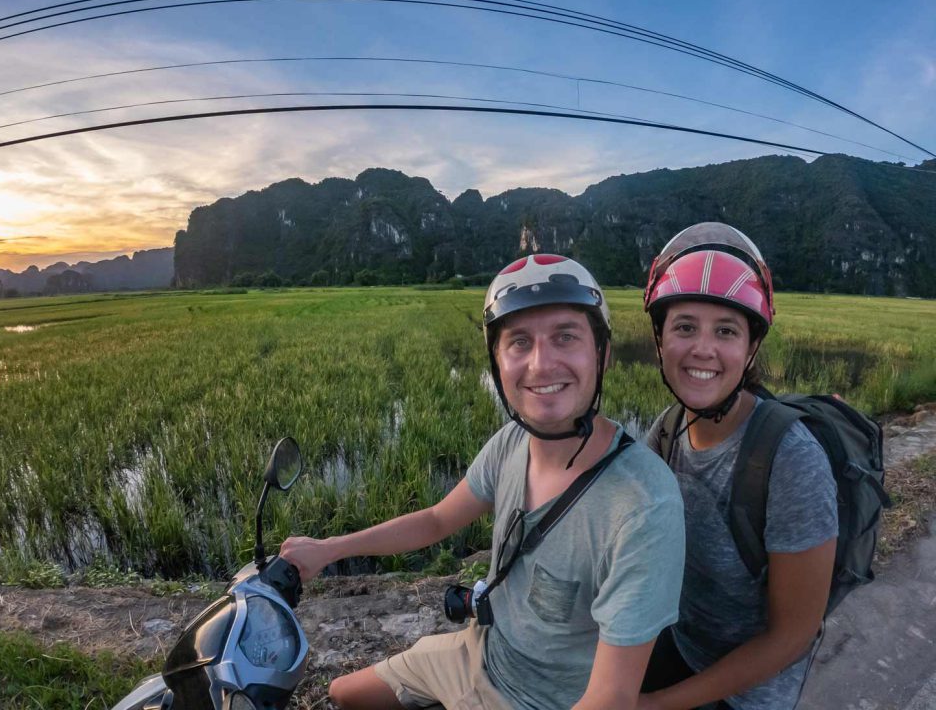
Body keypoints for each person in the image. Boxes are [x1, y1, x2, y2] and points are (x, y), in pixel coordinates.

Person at [281, 254, 685, 710]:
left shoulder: (642, 504)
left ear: (602, 354)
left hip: (541, 700)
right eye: (519, 343)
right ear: (498, 362)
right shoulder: (513, 440)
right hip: (477, 653)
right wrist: (329, 548)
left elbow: (610, 698)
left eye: (565, 337)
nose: (540, 364)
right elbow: (435, 520)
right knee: (342, 695)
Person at [639, 223, 838, 710]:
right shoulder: (665, 432)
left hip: (752, 689)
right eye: (685, 326)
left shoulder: (790, 460)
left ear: (750, 348)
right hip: (683, 643)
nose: (702, 349)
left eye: (725, 330)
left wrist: (659, 704)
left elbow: (792, 635)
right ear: (660, 341)